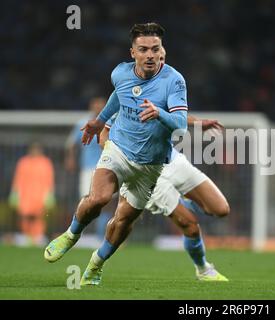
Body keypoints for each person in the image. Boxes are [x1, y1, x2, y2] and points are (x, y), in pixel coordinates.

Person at [44, 22, 189, 286]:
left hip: (151, 164)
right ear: (132, 52)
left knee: (123, 221)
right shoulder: (120, 74)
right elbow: (118, 96)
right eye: (143, 49)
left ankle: (96, 264)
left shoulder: (174, 80)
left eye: (155, 49)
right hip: (119, 150)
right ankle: (71, 235)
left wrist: (160, 113)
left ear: (161, 51)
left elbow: (180, 124)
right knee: (98, 198)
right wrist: (100, 122)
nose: (150, 55)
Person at [101, 48, 230, 281]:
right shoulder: (127, 92)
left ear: (163, 58)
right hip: (148, 172)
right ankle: (203, 269)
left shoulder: (170, 83)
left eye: (159, 55)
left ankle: (185, 197)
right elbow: (104, 131)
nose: (153, 59)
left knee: (220, 209)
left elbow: (177, 116)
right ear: (136, 57)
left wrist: (199, 122)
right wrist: (117, 160)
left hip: (173, 160)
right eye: (148, 54)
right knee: (190, 224)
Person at [65, 96, 114, 240]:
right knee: (87, 200)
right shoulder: (83, 123)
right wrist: (71, 158)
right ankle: (77, 233)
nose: (98, 108)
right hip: (88, 168)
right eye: (96, 105)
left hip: (108, 167)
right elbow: (72, 144)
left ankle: (103, 235)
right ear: (91, 107)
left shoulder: (110, 122)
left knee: (108, 203)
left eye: (101, 105)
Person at [9, 142, 55, 246]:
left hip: (40, 194)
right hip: (26, 194)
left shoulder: (45, 162)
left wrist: (50, 194)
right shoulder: (23, 162)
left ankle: (38, 237)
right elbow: (17, 179)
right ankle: (26, 236)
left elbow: (49, 180)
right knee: (25, 215)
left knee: (39, 216)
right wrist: (14, 193)